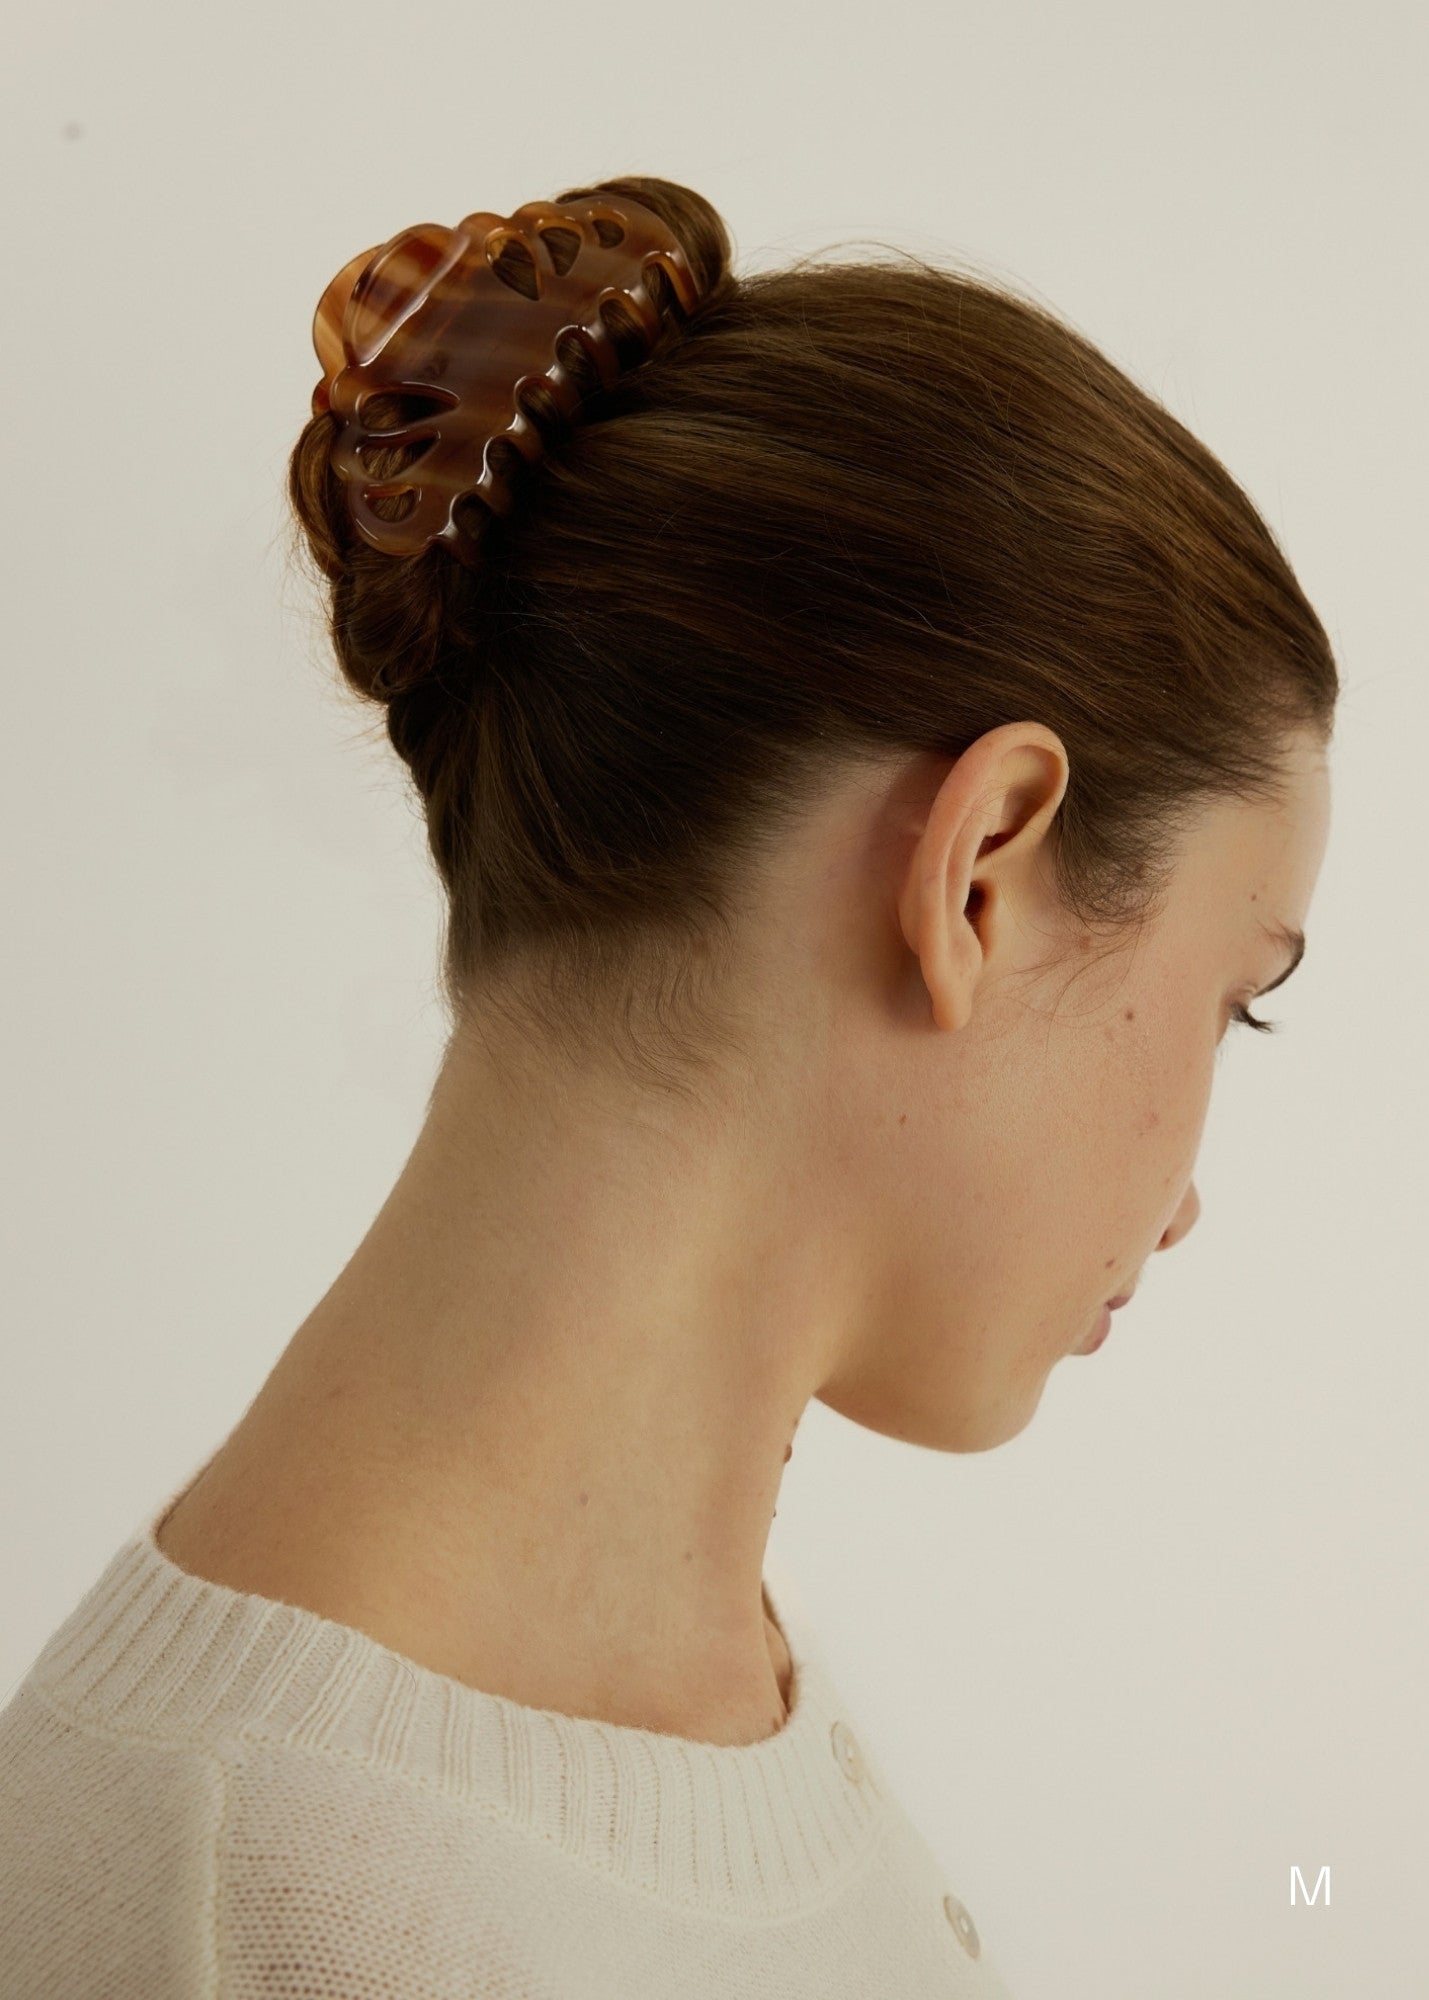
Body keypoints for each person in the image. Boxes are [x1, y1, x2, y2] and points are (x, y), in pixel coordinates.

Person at [0, 174, 1334, 1999]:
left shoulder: (669, 1712)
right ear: (977, 875)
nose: (1184, 1198)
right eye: (1229, 1003)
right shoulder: (264, 1914)